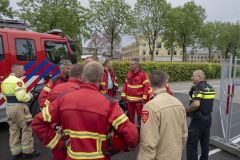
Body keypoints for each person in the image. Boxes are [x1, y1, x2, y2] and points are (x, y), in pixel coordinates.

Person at [32, 62, 139, 160]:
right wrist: (128, 147)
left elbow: (38, 123)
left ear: (83, 76)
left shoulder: (63, 99)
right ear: (102, 77)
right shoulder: (109, 103)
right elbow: (132, 133)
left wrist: (59, 143)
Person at [137, 70, 187, 160]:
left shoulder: (150, 107)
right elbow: (184, 135)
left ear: (150, 84)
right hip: (176, 155)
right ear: (165, 82)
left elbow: (148, 142)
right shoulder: (179, 103)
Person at [1, 64, 40, 160]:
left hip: (9, 107)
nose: (24, 72)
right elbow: (22, 97)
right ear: (17, 70)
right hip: (19, 107)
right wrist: (30, 95)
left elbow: (5, 97)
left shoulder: (5, 81)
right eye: (22, 70)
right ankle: (28, 152)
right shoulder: (18, 81)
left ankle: (16, 153)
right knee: (26, 127)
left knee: (13, 129)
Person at [46, 64, 84, 160]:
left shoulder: (56, 88)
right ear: (82, 76)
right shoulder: (82, 91)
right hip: (76, 138)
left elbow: (43, 114)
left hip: (58, 133)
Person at [186, 70, 215, 160]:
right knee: (205, 143)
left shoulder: (198, 87)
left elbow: (196, 104)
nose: (192, 77)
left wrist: (186, 110)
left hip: (198, 120)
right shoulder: (210, 87)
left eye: (193, 76)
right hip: (208, 118)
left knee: (191, 144)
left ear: (199, 77)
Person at [121, 58, 150, 124]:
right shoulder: (129, 73)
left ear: (137, 65)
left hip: (139, 100)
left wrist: (144, 97)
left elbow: (146, 86)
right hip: (129, 100)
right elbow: (125, 85)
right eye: (130, 64)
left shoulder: (143, 74)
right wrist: (123, 95)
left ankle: (140, 129)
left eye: (132, 64)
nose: (130, 66)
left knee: (140, 116)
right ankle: (132, 130)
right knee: (130, 117)